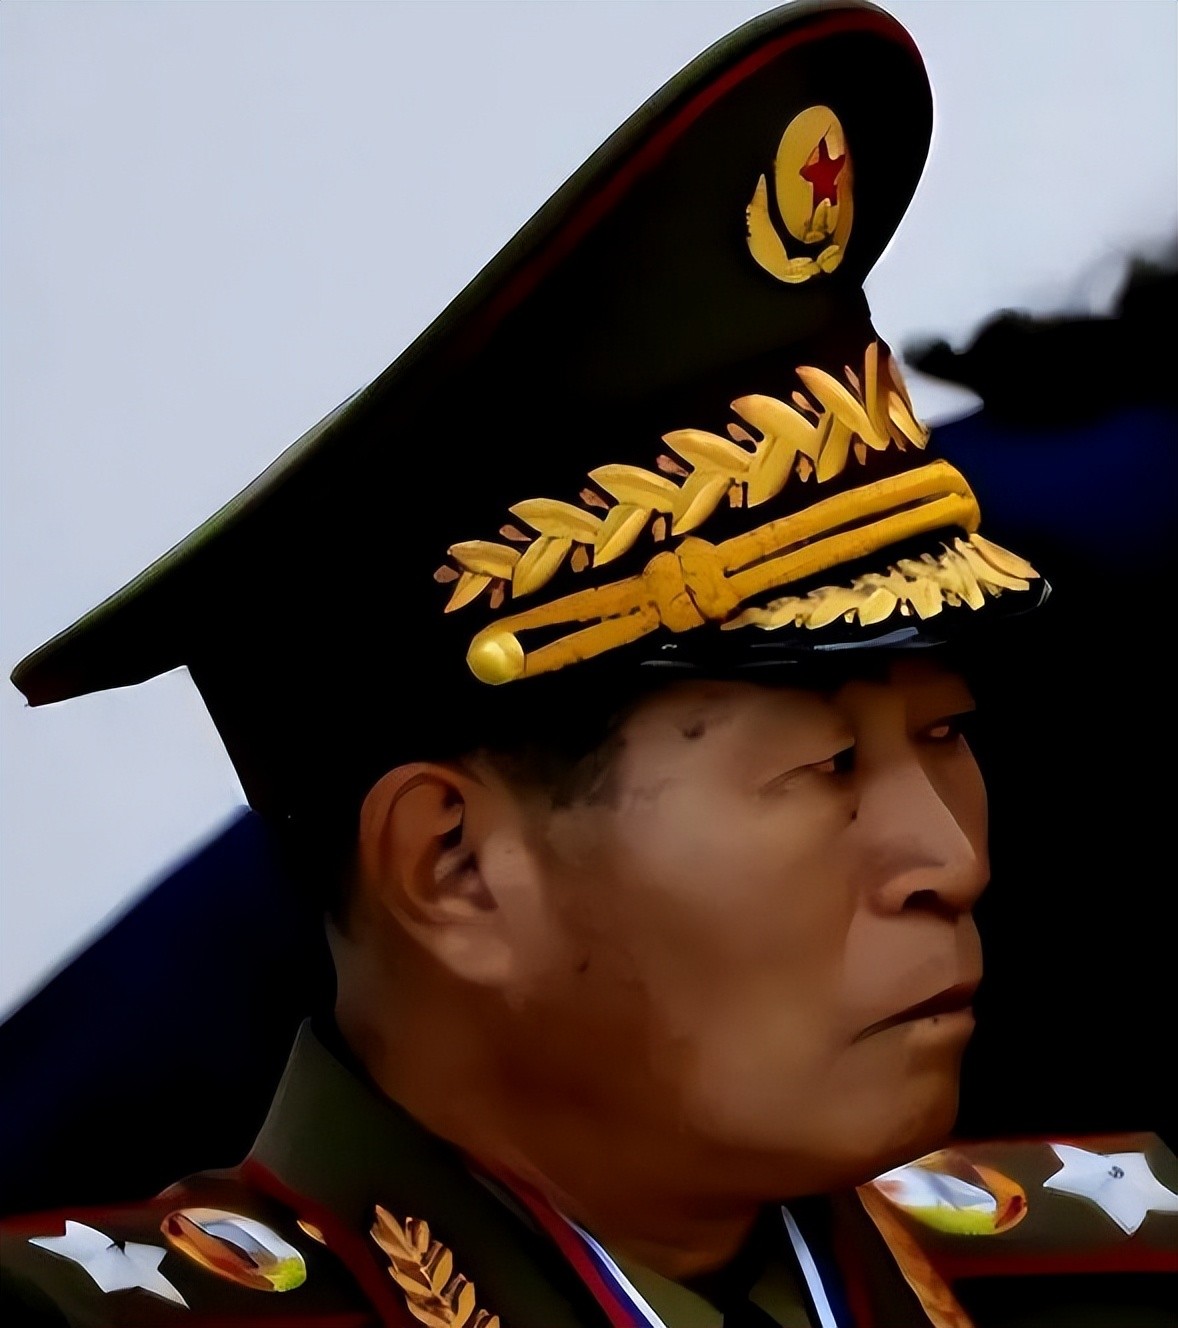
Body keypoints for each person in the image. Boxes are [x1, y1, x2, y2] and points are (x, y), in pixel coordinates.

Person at [2, 3, 1174, 1325]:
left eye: (947, 734)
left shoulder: (1108, 1271)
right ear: (452, 864)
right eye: (833, 765)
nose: (954, 863)